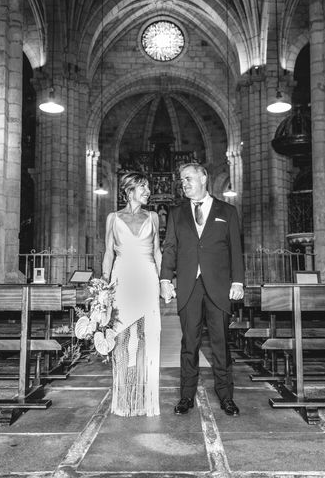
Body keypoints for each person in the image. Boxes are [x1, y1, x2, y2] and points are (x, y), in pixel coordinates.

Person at [160, 163, 245, 416]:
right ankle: (186, 396)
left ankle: (226, 396)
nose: (183, 183)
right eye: (181, 180)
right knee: (189, 344)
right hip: (189, 286)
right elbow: (170, 248)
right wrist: (165, 279)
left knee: (221, 344)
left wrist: (238, 282)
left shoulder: (227, 211)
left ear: (203, 177)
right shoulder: (176, 213)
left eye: (188, 178)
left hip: (218, 286)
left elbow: (235, 249)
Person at [102, 171, 162, 416]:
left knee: (146, 336)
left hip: (147, 277)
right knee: (122, 337)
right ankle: (123, 397)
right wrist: (104, 287)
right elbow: (108, 252)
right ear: (128, 191)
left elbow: (157, 252)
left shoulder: (154, 217)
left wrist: (164, 280)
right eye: (143, 187)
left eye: (148, 187)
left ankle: (144, 398)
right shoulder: (113, 218)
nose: (148, 191)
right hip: (122, 277)